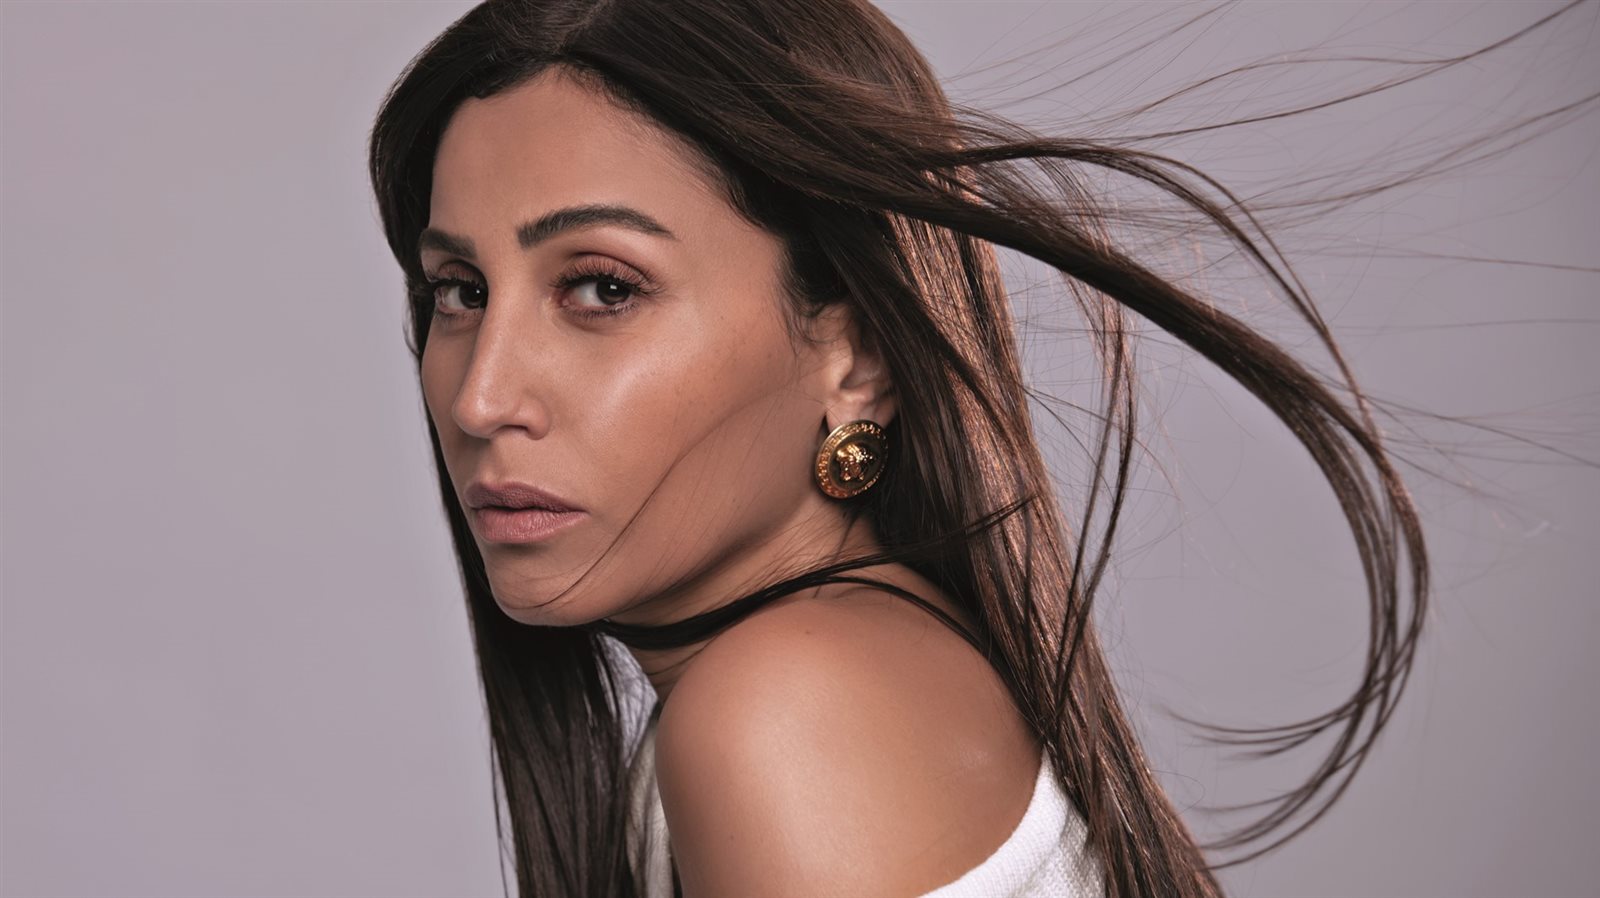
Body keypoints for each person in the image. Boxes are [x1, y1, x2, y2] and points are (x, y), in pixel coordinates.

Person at [365, 1, 1584, 895]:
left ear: (855, 352)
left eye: (601, 287)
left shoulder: (785, 711)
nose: (481, 395)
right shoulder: (843, 666)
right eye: (459, 290)